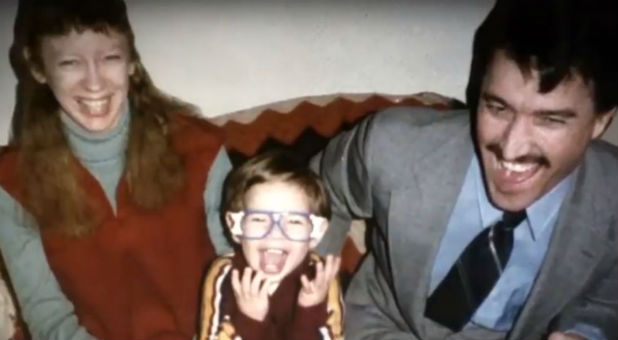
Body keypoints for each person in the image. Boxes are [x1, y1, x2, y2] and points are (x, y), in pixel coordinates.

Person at [313, 0, 617, 339]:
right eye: (497, 107)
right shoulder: (393, 144)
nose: (511, 147)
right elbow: (320, 190)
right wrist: (303, 298)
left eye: (549, 120)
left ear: (600, 122)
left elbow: (608, 296)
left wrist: (585, 332)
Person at [0, 0, 233, 338]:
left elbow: (240, 271)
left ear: (132, 62)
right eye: (69, 63)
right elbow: (48, 316)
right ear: (38, 68)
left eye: (110, 58)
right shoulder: (11, 186)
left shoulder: (200, 147)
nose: (94, 83)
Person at [199, 151, 344, 340]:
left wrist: (309, 312)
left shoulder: (320, 279)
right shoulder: (225, 275)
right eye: (259, 218)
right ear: (236, 226)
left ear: (315, 233)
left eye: (294, 221)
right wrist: (250, 321)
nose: (275, 233)